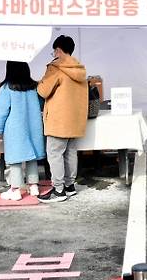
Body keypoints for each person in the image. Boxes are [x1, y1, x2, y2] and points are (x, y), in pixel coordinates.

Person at [37, 35, 88, 203]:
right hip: (75, 119)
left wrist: (40, 83)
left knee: (55, 154)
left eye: (54, 51)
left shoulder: (56, 67)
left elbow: (43, 91)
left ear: (58, 50)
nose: (53, 54)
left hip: (58, 120)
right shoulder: (79, 69)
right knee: (70, 152)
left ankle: (58, 190)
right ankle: (69, 186)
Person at [0, 61, 46, 201]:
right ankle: (34, 186)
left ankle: (15, 189)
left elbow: (1, 112)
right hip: (33, 126)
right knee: (32, 156)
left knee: (15, 158)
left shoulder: (6, 88)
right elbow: (41, 104)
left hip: (14, 128)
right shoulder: (34, 87)